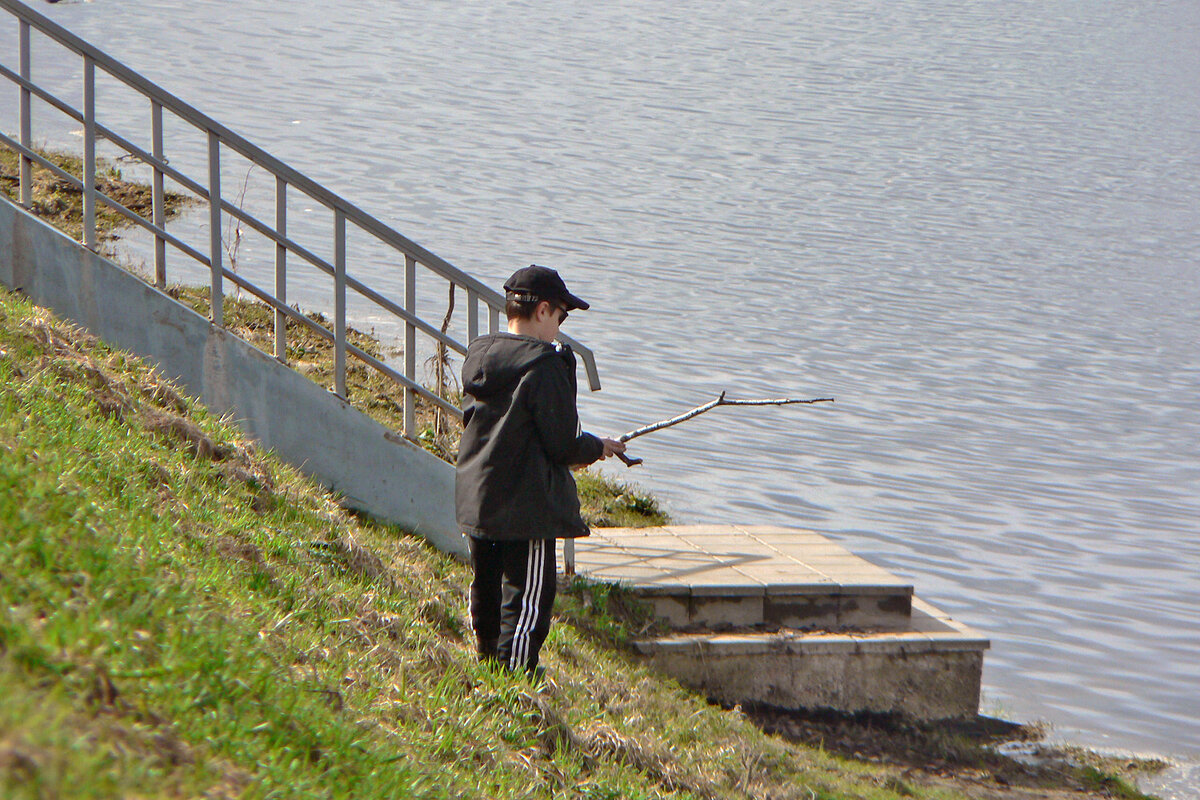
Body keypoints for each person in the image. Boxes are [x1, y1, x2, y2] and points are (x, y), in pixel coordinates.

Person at [456, 264, 625, 674]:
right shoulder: (545, 365)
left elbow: (492, 427)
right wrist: (596, 448)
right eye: (562, 316)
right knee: (529, 597)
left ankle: (487, 670)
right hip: (526, 508)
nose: (561, 327)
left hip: (479, 497)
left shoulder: (481, 354)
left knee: (487, 591)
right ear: (544, 311)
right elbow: (562, 442)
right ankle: (514, 682)